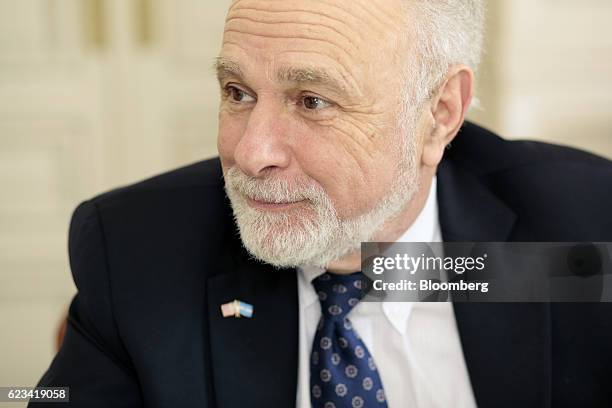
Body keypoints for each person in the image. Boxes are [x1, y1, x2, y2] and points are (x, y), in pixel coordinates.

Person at [31, 0, 612, 407]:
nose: (250, 152)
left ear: (439, 116)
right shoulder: (137, 249)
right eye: (237, 93)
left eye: (312, 101)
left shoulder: (579, 226)